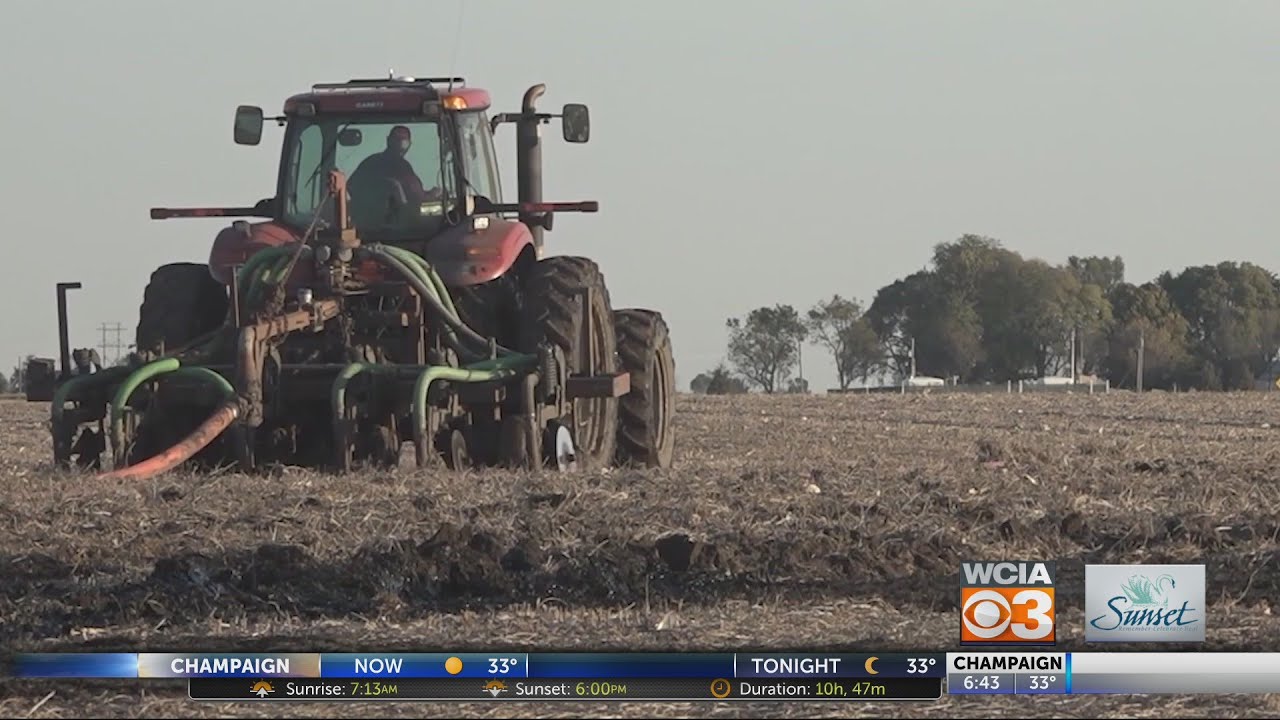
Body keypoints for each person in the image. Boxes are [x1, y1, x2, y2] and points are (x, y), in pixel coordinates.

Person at [348, 126, 441, 214]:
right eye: (397, 139)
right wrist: (433, 195)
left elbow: (351, 185)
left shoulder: (370, 161)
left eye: (403, 140)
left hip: (370, 221)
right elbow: (417, 198)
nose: (399, 143)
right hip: (401, 221)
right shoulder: (402, 167)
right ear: (388, 140)